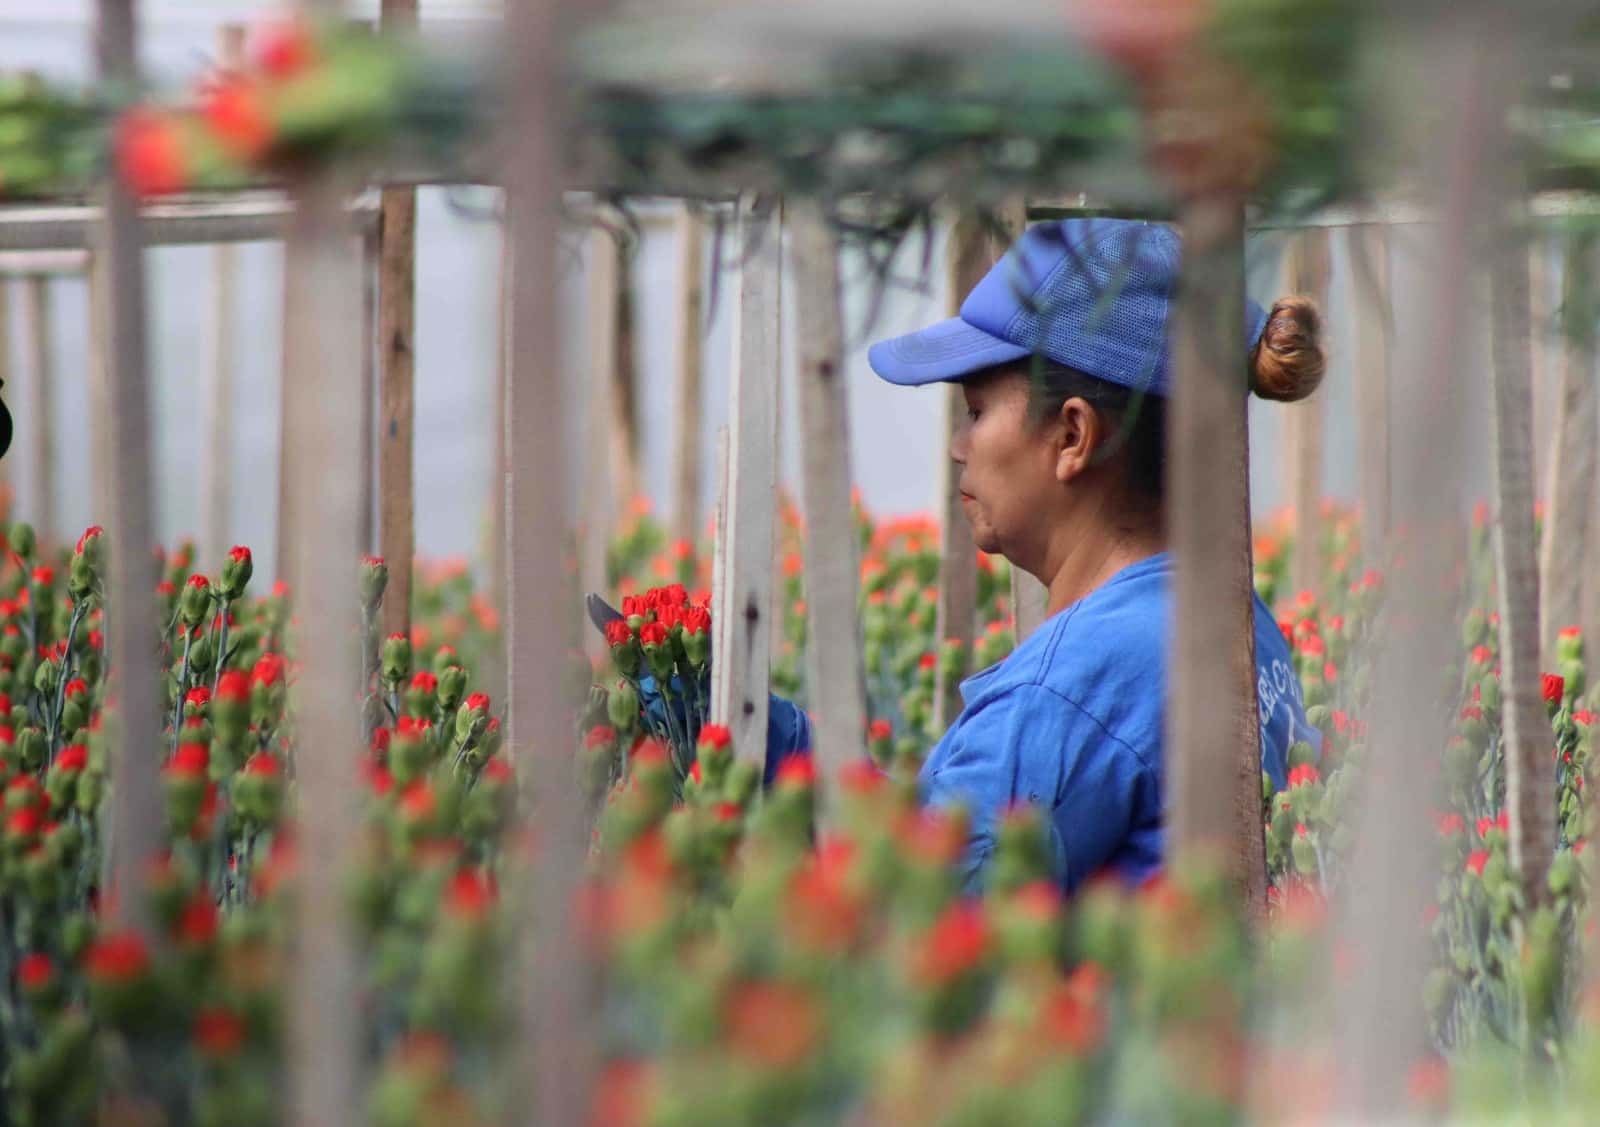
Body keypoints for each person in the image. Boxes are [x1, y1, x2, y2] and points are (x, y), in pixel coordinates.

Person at [653, 218, 1323, 894]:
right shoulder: (1230, 619)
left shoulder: (1075, 682)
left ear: (1071, 435)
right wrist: (778, 741)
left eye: (975, 412)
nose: (956, 446)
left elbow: (913, 902)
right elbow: (951, 831)